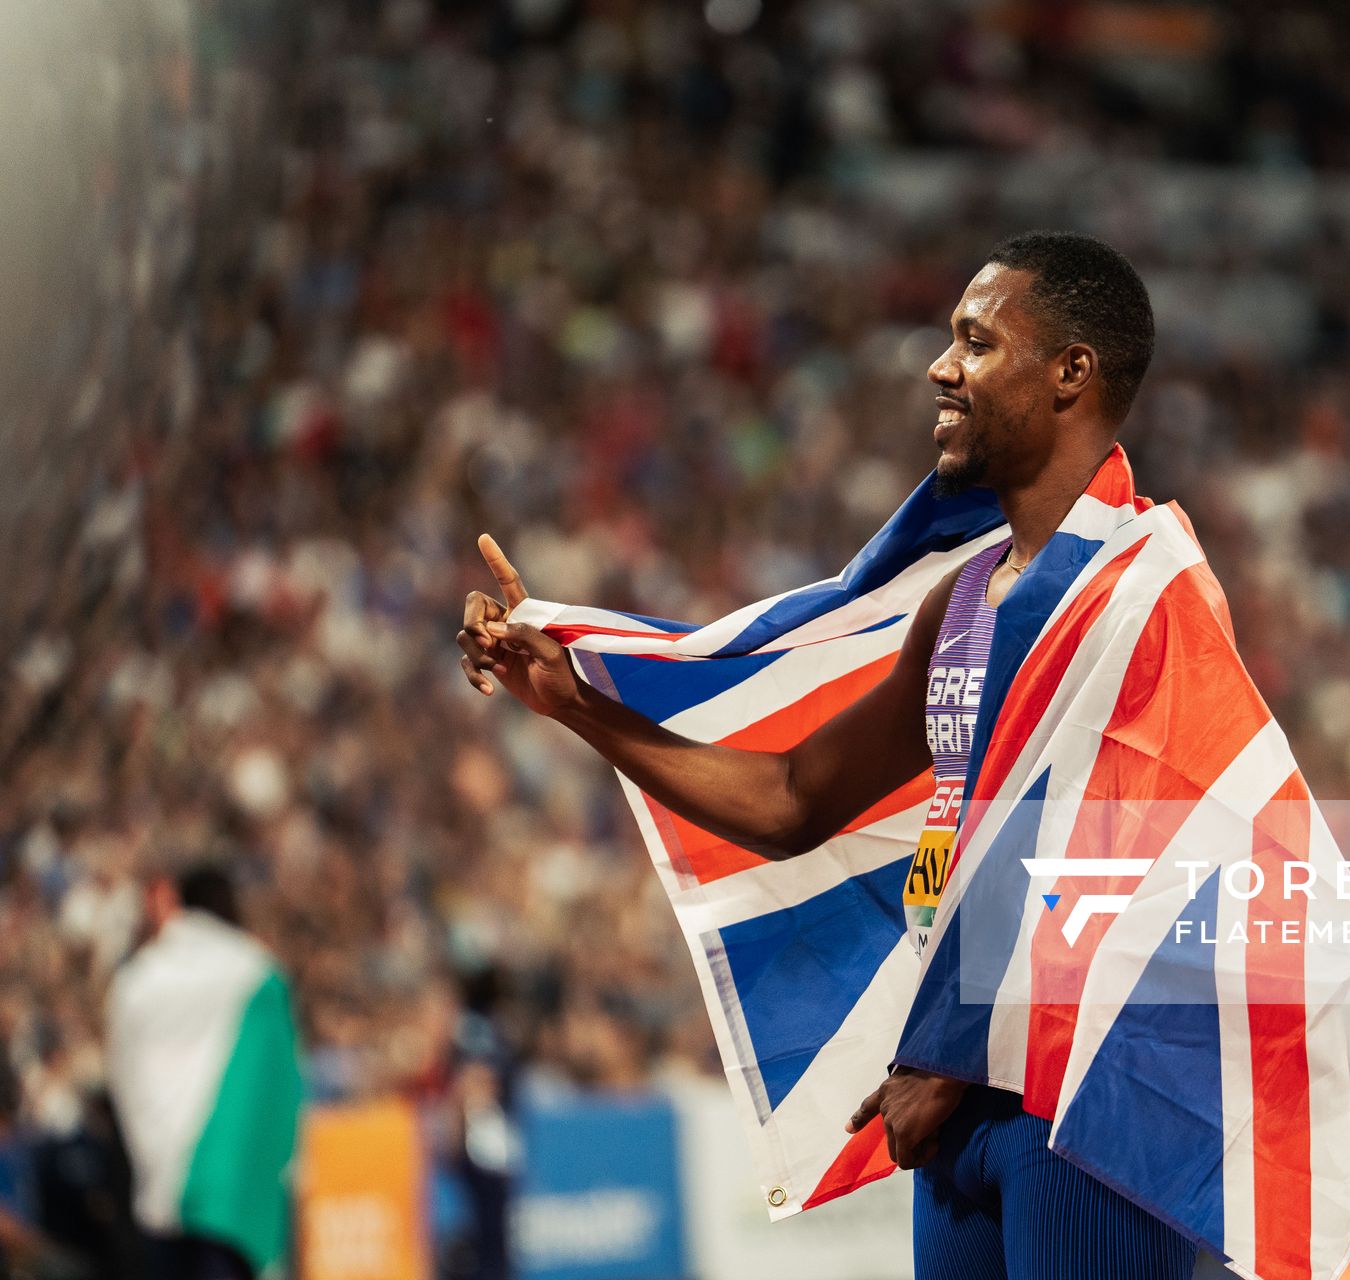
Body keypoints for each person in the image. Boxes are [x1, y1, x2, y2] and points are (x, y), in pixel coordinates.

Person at [457, 231, 1200, 1277]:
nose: (941, 368)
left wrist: (960, 1043)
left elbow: (1151, 867)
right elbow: (796, 793)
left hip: (1087, 1097)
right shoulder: (967, 598)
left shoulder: (1145, 590)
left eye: (977, 342)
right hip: (953, 1097)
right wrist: (580, 707)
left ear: (1070, 372)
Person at [105, 863, 301, 1280]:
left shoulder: (136, 981)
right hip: (229, 1197)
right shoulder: (258, 975)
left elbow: (120, 1076)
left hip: (157, 1189)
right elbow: (283, 1094)